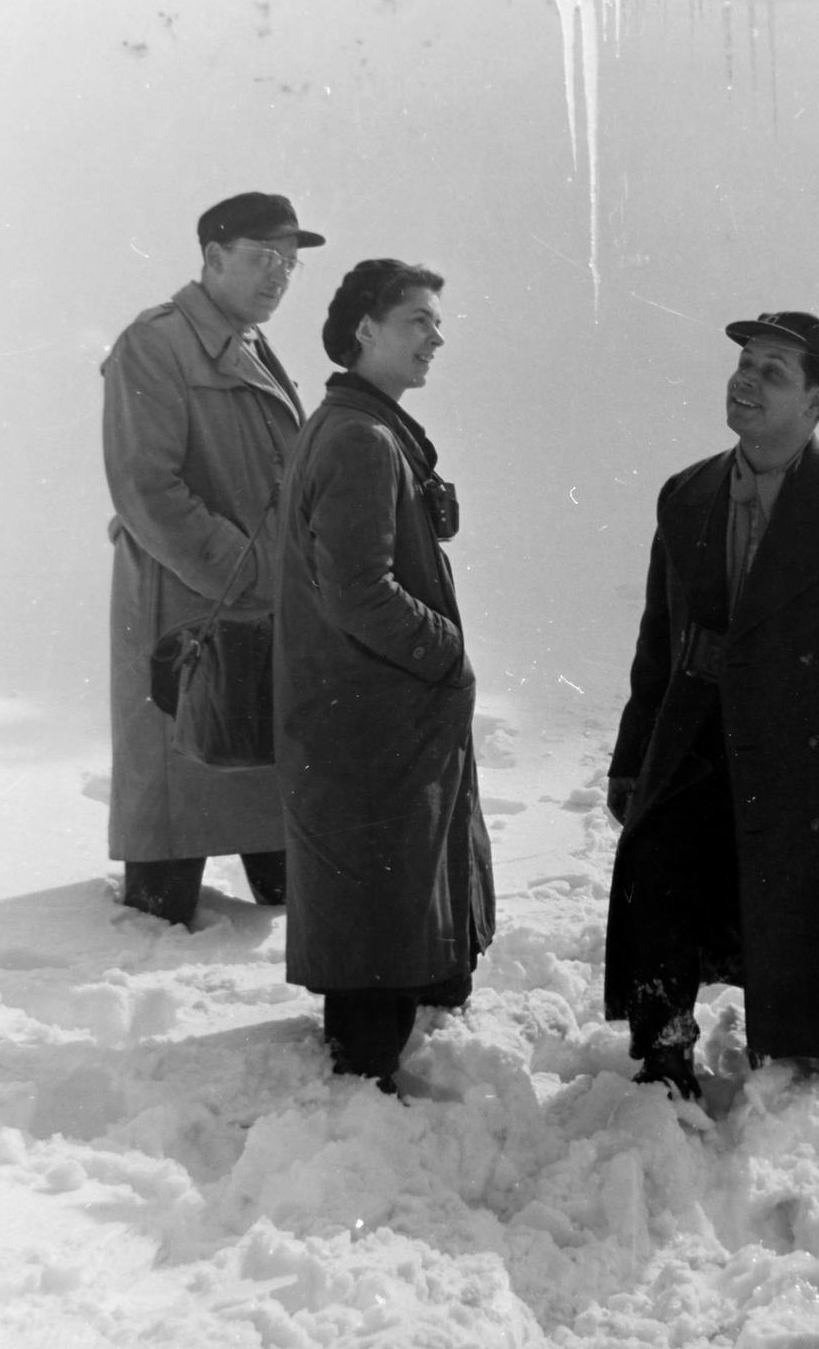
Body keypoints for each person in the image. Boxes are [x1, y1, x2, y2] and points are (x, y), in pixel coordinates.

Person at [604, 311, 819, 1099]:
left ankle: (799, 1082)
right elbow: (658, 646)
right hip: (693, 751)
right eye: (744, 362)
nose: (745, 380)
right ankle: (662, 1055)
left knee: (806, 950)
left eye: (773, 372)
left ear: (818, 403)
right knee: (663, 885)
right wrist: (635, 763)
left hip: (810, 774)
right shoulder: (688, 496)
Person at [274, 258, 495, 1090]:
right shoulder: (363, 439)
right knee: (376, 905)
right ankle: (360, 1097)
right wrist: (446, 651)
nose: (435, 336)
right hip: (369, 720)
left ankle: (377, 1047)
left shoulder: (356, 424)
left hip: (364, 714)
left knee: (380, 895)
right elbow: (360, 591)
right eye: (417, 321)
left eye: (438, 322)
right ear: (365, 330)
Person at [102, 192, 322, 927]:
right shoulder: (156, 342)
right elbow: (147, 486)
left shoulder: (249, 341)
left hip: (250, 612)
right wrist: (251, 569)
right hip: (189, 613)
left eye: (289, 264)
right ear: (212, 257)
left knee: (258, 793)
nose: (280, 277)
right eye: (264, 259)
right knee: (170, 857)